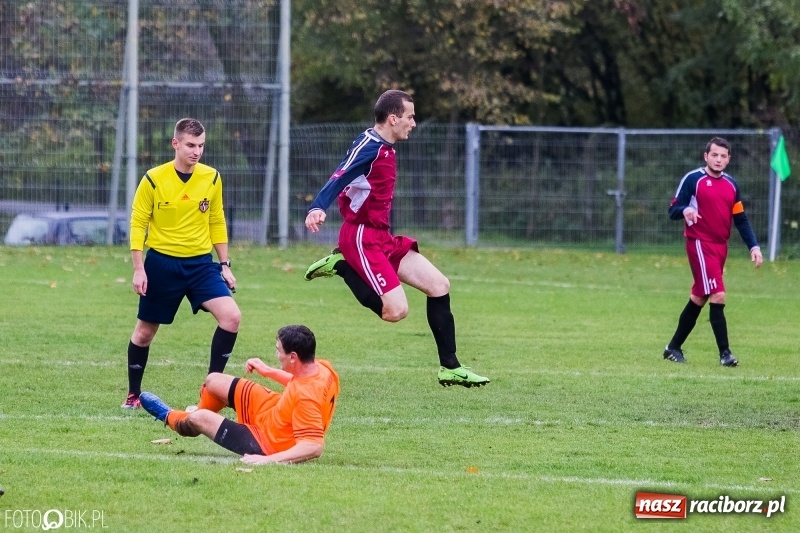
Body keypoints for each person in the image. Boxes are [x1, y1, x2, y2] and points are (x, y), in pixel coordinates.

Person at [302, 89, 489, 388]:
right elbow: (340, 175)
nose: (414, 123)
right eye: (410, 117)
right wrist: (317, 206)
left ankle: (450, 367)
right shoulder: (370, 146)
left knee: (439, 286)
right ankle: (343, 266)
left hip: (381, 237)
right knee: (395, 311)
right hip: (361, 237)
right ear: (393, 118)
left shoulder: (383, 145)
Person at [123, 118, 240, 409]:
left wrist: (224, 263)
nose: (196, 151)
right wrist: (139, 268)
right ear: (176, 144)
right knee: (145, 332)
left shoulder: (211, 177)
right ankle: (133, 395)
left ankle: (212, 390)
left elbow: (216, 219)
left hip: (201, 265)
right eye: (190, 145)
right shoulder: (153, 178)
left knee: (231, 317)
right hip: (162, 264)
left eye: (201, 145)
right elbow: (138, 224)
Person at [139, 325, 339, 465]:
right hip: (272, 410)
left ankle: (174, 418)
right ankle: (196, 415)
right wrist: (268, 371)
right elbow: (298, 380)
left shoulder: (307, 398)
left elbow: (313, 446)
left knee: (199, 418)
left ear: (293, 357)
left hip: (267, 442)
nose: (276, 354)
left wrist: (267, 460)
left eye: (279, 351)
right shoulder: (322, 368)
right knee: (214, 380)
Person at [663, 136, 763, 366]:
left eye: (723, 156)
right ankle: (725, 354)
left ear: (729, 159)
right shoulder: (693, 179)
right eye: (714, 155)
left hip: (720, 247)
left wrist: (754, 246)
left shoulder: (731, 185)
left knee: (699, 297)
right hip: (699, 242)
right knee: (718, 293)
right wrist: (686, 210)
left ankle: (672, 347)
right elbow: (673, 209)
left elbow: (741, 219)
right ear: (706, 156)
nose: (718, 159)